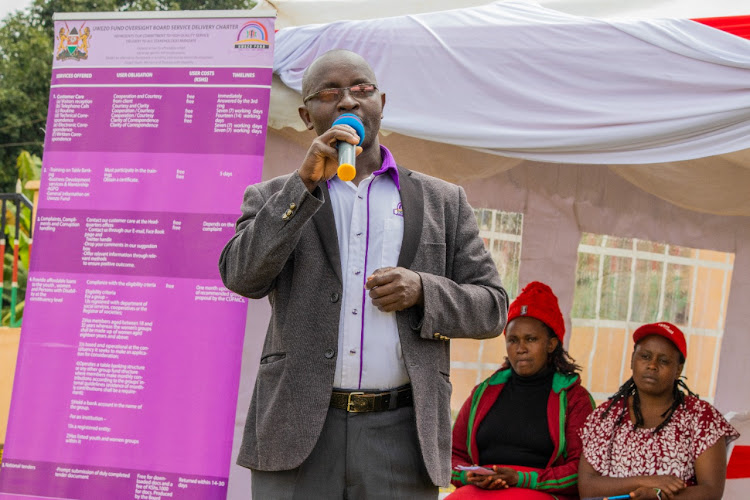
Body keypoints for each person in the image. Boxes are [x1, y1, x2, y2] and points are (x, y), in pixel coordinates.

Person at [219, 49, 508, 499]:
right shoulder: (274, 196)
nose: (348, 102)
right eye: (329, 93)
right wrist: (304, 184)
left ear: (381, 102)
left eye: (362, 89)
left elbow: (492, 308)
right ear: (305, 114)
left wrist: (424, 290)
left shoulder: (441, 201)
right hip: (297, 431)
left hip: (401, 436)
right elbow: (241, 276)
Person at [449, 281, 594, 499]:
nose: (521, 348)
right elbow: (452, 455)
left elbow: (580, 472)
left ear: (552, 344)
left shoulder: (574, 398)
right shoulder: (484, 392)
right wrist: (467, 477)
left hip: (539, 492)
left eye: (531, 339)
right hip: (480, 491)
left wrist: (521, 478)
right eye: (513, 340)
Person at [578, 322, 740, 500]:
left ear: (678, 369)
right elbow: (587, 487)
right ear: (632, 360)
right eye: (645, 356)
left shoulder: (701, 416)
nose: (652, 365)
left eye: (664, 361)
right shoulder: (608, 415)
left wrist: (658, 497)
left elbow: (710, 492)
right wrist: (649, 481)